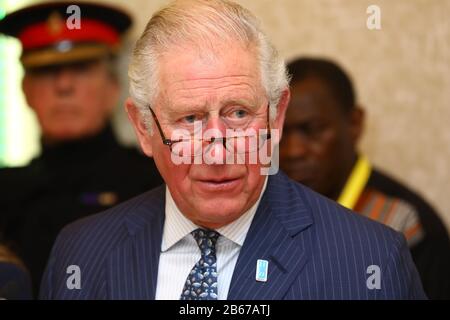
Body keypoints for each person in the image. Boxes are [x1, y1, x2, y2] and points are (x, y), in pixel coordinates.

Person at [40, 0, 425, 300]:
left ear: (276, 117)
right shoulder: (80, 252)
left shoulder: (369, 259)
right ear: (144, 127)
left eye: (239, 113)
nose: (217, 151)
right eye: (189, 119)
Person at [0, 1, 163, 296]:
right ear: (25, 89)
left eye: (81, 68)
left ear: (113, 86)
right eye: (47, 71)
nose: (63, 86)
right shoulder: (6, 192)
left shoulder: (157, 184)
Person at [280, 57, 450, 299]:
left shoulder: (406, 221)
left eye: (313, 129)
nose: (292, 150)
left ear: (354, 123)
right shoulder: (270, 206)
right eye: (280, 132)